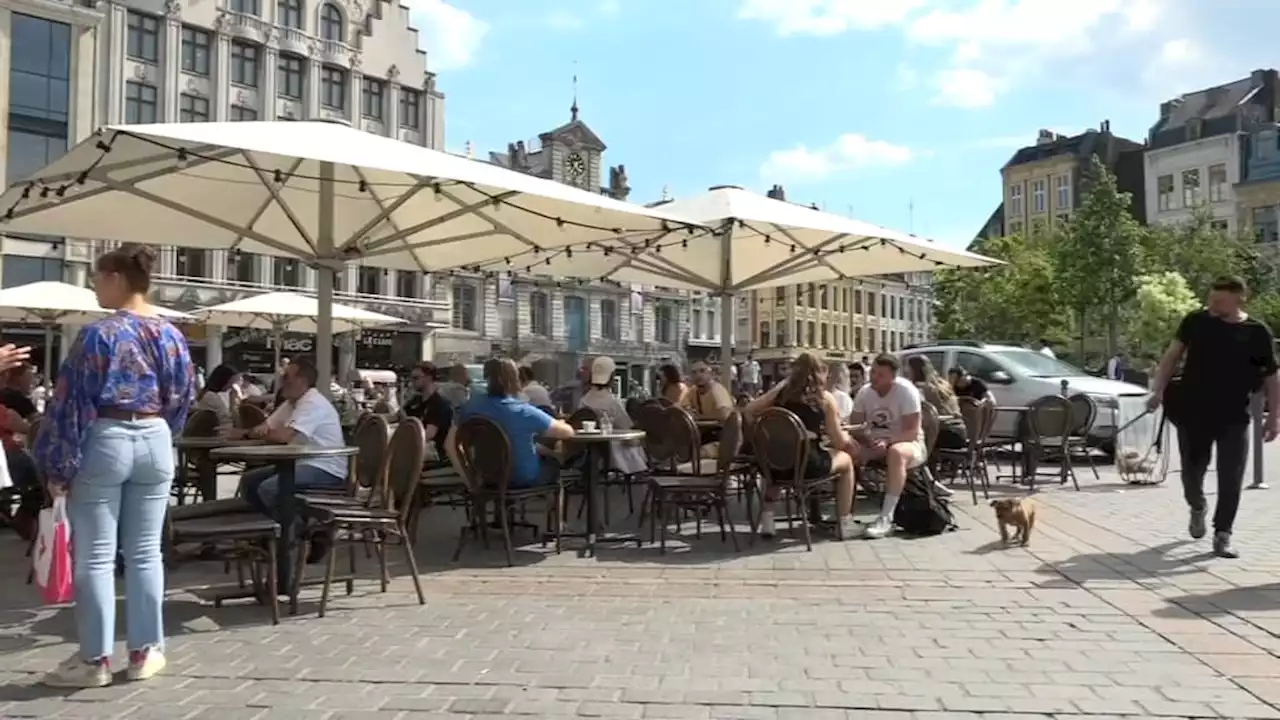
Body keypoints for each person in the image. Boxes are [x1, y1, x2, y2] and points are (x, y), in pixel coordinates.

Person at [35, 245, 196, 688]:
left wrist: (57, 464)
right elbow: (184, 394)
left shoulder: (97, 335)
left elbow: (70, 403)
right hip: (156, 437)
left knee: (97, 556)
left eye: (96, 277)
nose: (92, 286)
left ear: (116, 278)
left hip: (106, 437)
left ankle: (95, 660)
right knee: (146, 552)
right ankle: (146, 651)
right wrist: (164, 432)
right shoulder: (171, 334)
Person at [1149, 276, 1279, 559]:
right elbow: (1171, 356)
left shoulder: (1257, 332)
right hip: (1193, 411)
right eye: (1211, 299)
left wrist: (1274, 417)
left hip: (1235, 414)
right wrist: (1157, 389)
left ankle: (1223, 534)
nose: (1212, 305)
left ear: (1239, 299)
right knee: (1191, 475)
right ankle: (1197, 506)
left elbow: (1271, 376)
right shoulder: (1195, 322)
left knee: (1231, 477)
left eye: (1219, 301)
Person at [745, 353, 860, 540]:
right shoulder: (825, 399)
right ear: (821, 372)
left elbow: (749, 410)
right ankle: (845, 522)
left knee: (777, 460)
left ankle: (767, 520)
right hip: (806, 464)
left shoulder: (779, 396)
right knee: (846, 462)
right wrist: (850, 442)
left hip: (774, 463)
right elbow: (838, 441)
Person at [234, 359, 347, 515]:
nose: (281, 382)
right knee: (248, 482)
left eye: (286, 377)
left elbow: (283, 436)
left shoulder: (313, 403)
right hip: (299, 464)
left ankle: (293, 532)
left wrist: (247, 433)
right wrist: (250, 433)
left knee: (269, 488)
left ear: (302, 381)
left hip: (325, 469)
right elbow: (265, 428)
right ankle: (268, 530)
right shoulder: (291, 403)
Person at [446, 358, 576, 488]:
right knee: (553, 466)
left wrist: (469, 479)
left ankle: (497, 506)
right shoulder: (523, 411)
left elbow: (449, 445)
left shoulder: (470, 408)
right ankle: (551, 508)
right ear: (515, 379)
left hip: (486, 478)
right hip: (522, 478)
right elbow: (567, 432)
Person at [849, 354, 928, 540]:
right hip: (874, 442)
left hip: (908, 443)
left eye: (880, 375)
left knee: (896, 453)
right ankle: (846, 516)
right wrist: (867, 441)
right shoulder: (865, 392)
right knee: (847, 451)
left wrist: (888, 442)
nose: (874, 377)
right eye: (873, 372)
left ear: (893, 376)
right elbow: (856, 426)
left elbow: (912, 432)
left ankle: (886, 517)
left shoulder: (906, 391)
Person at [578, 356, 646, 475]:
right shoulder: (613, 402)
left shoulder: (584, 400)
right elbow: (626, 428)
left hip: (589, 451)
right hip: (613, 453)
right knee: (636, 442)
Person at [401, 361, 453, 460]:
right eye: (411, 378)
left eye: (416, 378)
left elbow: (428, 435)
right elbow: (398, 416)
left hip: (432, 452)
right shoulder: (416, 400)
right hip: (415, 448)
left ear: (428, 378)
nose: (412, 382)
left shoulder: (439, 403)